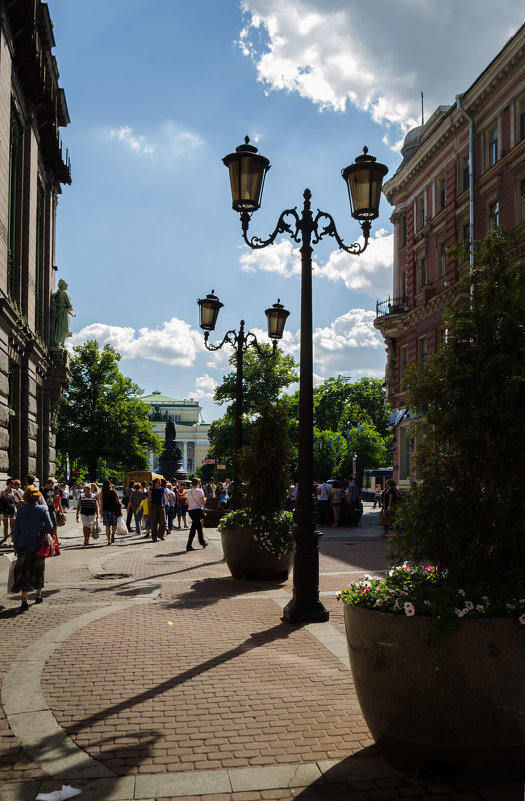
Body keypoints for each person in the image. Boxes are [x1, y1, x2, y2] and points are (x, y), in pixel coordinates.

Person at [12, 486, 53, 610]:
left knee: (24, 570)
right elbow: (50, 525)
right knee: (39, 569)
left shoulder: (21, 510)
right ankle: (38, 595)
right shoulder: (43, 509)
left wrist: (15, 546)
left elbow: (17, 530)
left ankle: (24, 599)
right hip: (39, 544)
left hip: (23, 544)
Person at [50, 279, 75, 350]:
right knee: (64, 329)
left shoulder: (59, 293)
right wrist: (71, 310)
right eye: (65, 284)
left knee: (60, 327)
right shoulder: (64, 293)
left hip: (61, 311)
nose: (67, 285)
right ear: (62, 285)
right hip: (64, 311)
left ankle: (60, 343)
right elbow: (69, 304)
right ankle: (58, 343)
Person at [185, 478, 207, 550]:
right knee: (194, 528)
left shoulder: (189, 491)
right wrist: (205, 500)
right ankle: (189, 545)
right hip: (198, 510)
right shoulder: (200, 491)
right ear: (198, 483)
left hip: (191, 511)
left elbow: (187, 502)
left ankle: (202, 542)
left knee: (199, 526)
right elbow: (203, 502)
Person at [100, 480, 119, 544]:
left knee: (107, 526)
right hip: (113, 510)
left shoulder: (102, 493)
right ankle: (113, 534)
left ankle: (108, 540)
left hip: (105, 510)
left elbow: (101, 503)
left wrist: (101, 511)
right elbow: (117, 502)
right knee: (114, 524)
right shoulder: (114, 492)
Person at [148, 477, 166, 542]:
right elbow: (149, 500)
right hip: (153, 507)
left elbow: (163, 498)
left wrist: (163, 505)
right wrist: (149, 509)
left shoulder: (162, 489)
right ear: (155, 483)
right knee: (154, 523)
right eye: (158, 482)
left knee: (163, 522)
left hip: (160, 506)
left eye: (160, 482)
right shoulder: (151, 489)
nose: (160, 483)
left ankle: (160, 535)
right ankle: (154, 537)